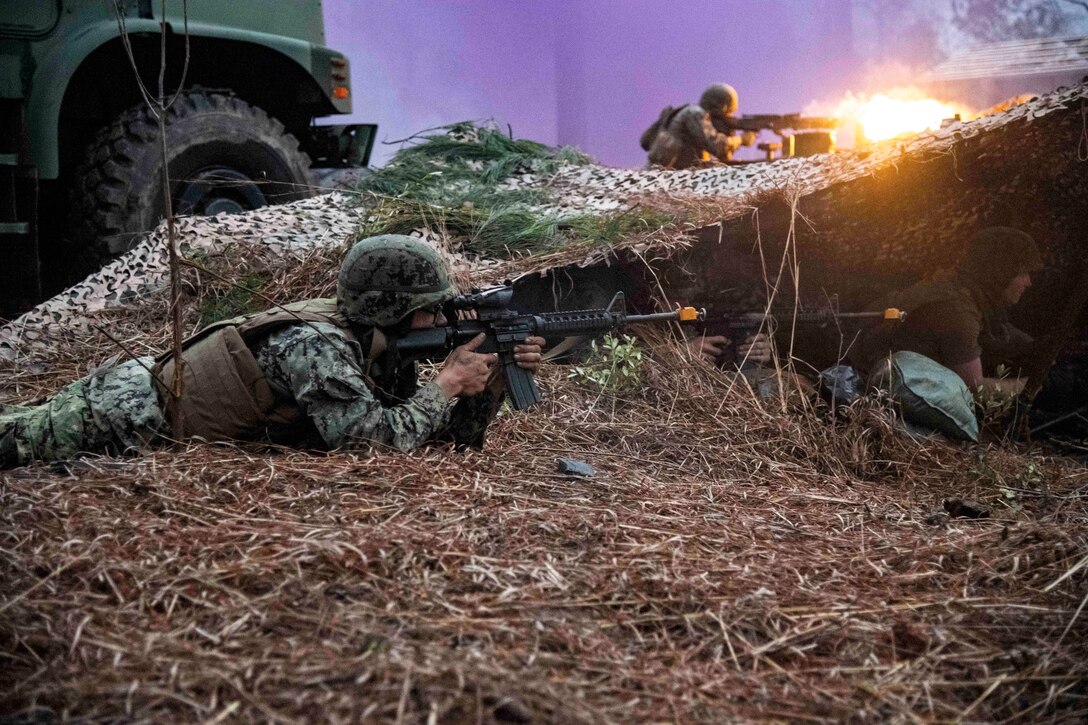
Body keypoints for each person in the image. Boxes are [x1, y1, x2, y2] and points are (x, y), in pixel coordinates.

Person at [0, 235, 545, 468]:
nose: (439, 320)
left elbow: (447, 442)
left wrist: (493, 379)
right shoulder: (318, 346)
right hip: (127, 413)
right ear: (390, 309)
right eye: (429, 309)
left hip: (146, 399)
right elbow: (369, 445)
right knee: (12, 440)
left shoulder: (372, 337)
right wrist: (445, 384)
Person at [852, 226, 1043, 401]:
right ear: (1001, 273)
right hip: (875, 385)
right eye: (1023, 273)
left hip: (872, 369)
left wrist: (1038, 347)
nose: (1028, 282)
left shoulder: (955, 288)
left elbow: (1000, 332)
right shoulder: (957, 313)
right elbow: (973, 389)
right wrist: (1024, 386)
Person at [641, 83, 757, 169]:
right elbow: (716, 145)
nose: (730, 116)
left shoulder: (687, 111)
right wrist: (741, 139)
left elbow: (724, 155)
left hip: (667, 174)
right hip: (669, 177)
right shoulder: (694, 113)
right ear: (723, 105)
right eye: (729, 111)